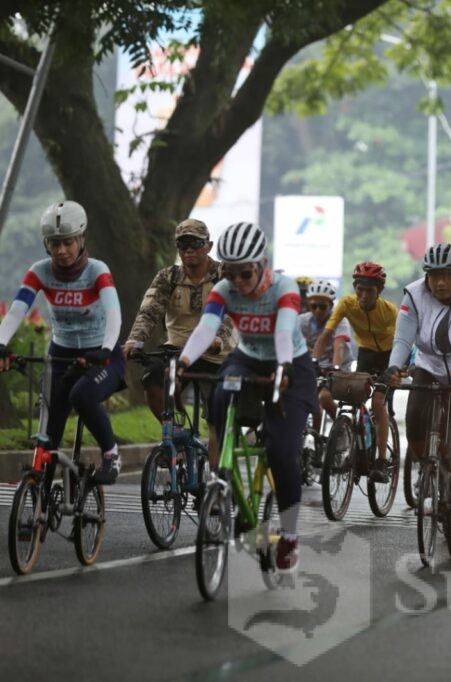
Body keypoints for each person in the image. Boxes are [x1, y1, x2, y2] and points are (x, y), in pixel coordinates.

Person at [179, 222, 317, 573]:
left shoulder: (284, 288)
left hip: (291, 365)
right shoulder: (224, 290)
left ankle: (288, 535)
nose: (237, 283)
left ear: (262, 265)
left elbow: (285, 331)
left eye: (245, 274)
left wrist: (284, 367)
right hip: (248, 358)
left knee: (282, 453)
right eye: (229, 273)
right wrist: (182, 361)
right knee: (220, 394)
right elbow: (206, 327)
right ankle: (222, 474)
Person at [0, 201, 126, 484]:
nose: (61, 250)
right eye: (54, 243)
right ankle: (38, 508)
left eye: (68, 242)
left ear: (81, 239)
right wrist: (1, 342)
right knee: (48, 434)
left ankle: (111, 453)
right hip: (61, 355)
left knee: (81, 396)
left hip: (102, 354)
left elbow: (114, 315)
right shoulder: (40, 271)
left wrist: (105, 350)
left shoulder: (97, 270)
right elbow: (17, 310)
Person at [382, 243, 451, 523]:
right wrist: (394, 366)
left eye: (448, 276)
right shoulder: (414, 294)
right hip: (428, 364)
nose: (440, 282)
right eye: (434, 276)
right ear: (426, 277)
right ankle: (431, 465)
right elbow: (404, 338)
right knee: (414, 417)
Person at [123, 219, 235, 422]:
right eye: (183, 244)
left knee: (217, 420)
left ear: (209, 246)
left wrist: (218, 338)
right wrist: (134, 340)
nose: (189, 250)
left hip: (217, 356)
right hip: (178, 351)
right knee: (152, 378)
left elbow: (231, 314)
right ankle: (174, 436)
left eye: (196, 244)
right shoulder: (168, 277)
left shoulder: (223, 274)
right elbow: (148, 312)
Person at [314, 262, 398, 482]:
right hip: (366, 354)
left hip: (390, 356)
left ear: (379, 291)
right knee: (355, 399)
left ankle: (380, 461)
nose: (363, 295)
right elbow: (326, 333)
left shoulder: (389, 311)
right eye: (359, 289)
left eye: (369, 290)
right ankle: (358, 448)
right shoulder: (347, 304)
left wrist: (401, 367)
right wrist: (314, 360)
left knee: (379, 401)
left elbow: (404, 341)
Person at [297, 279, 353, 431]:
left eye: (323, 307)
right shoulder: (302, 321)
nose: (318, 311)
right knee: (306, 400)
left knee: (324, 397)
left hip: (337, 366)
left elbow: (339, 345)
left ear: (331, 305)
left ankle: (342, 431)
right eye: (314, 306)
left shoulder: (339, 320)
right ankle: (315, 441)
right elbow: (296, 346)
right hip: (313, 366)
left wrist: (335, 368)